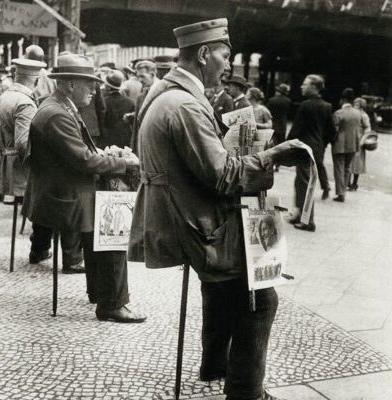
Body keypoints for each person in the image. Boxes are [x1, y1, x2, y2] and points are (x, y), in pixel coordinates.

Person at [129, 17, 309, 400]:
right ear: (204, 54)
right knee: (261, 298)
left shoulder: (164, 93)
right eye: (225, 56)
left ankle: (215, 364)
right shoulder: (186, 106)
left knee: (223, 290)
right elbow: (225, 177)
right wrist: (273, 154)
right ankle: (246, 391)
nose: (229, 65)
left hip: (179, 214)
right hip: (195, 222)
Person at [23, 53, 146, 322]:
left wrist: (107, 154)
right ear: (69, 84)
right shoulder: (57, 113)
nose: (94, 90)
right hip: (64, 197)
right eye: (88, 84)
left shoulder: (57, 106)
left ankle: (100, 293)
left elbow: (81, 154)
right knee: (113, 224)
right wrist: (124, 164)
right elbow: (83, 160)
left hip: (63, 191)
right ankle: (112, 303)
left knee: (104, 217)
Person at [0, 57, 45, 202]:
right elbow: (23, 144)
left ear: (15, 76)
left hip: (3, 167)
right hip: (20, 171)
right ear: (37, 81)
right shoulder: (25, 103)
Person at [288, 74, 337, 231]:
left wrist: (286, 146)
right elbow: (332, 132)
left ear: (314, 87)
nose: (302, 86)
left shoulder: (305, 105)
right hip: (316, 149)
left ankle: (308, 220)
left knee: (304, 183)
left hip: (304, 149)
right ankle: (299, 213)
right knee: (301, 182)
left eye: (305, 84)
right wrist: (321, 145)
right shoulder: (327, 106)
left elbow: (295, 130)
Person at [332, 88, 362, 202]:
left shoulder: (338, 113)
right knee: (347, 168)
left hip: (339, 144)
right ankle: (343, 190)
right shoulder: (358, 113)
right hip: (353, 144)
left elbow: (333, 130)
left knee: (339, 169)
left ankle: (340, 193)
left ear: (342, 100)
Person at [130, 60, 159, 154]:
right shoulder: (141, 96)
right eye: (138, 77)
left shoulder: (165, 92)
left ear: (152, 74)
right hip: (143, 147)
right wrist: (133, 149)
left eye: (142, 76)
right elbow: (136, 127)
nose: (140, 80)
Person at [100, 69, 135, 149]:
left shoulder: (103, 101)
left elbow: (101, 120)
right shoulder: (130, 102)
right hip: (125, 138)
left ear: (108, 86)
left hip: (107, 138)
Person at [349, 97, 371, 191]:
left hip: (359, 141)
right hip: (352, 140)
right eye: (354, 104)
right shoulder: (354, 114)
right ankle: (348, 183)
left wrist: (362, 141)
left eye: (357, 105)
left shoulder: (364, 115)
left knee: (357, 164)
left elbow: (367, 128)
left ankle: (354, 183)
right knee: (349, 162)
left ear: (361, 106)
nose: (355, 106)